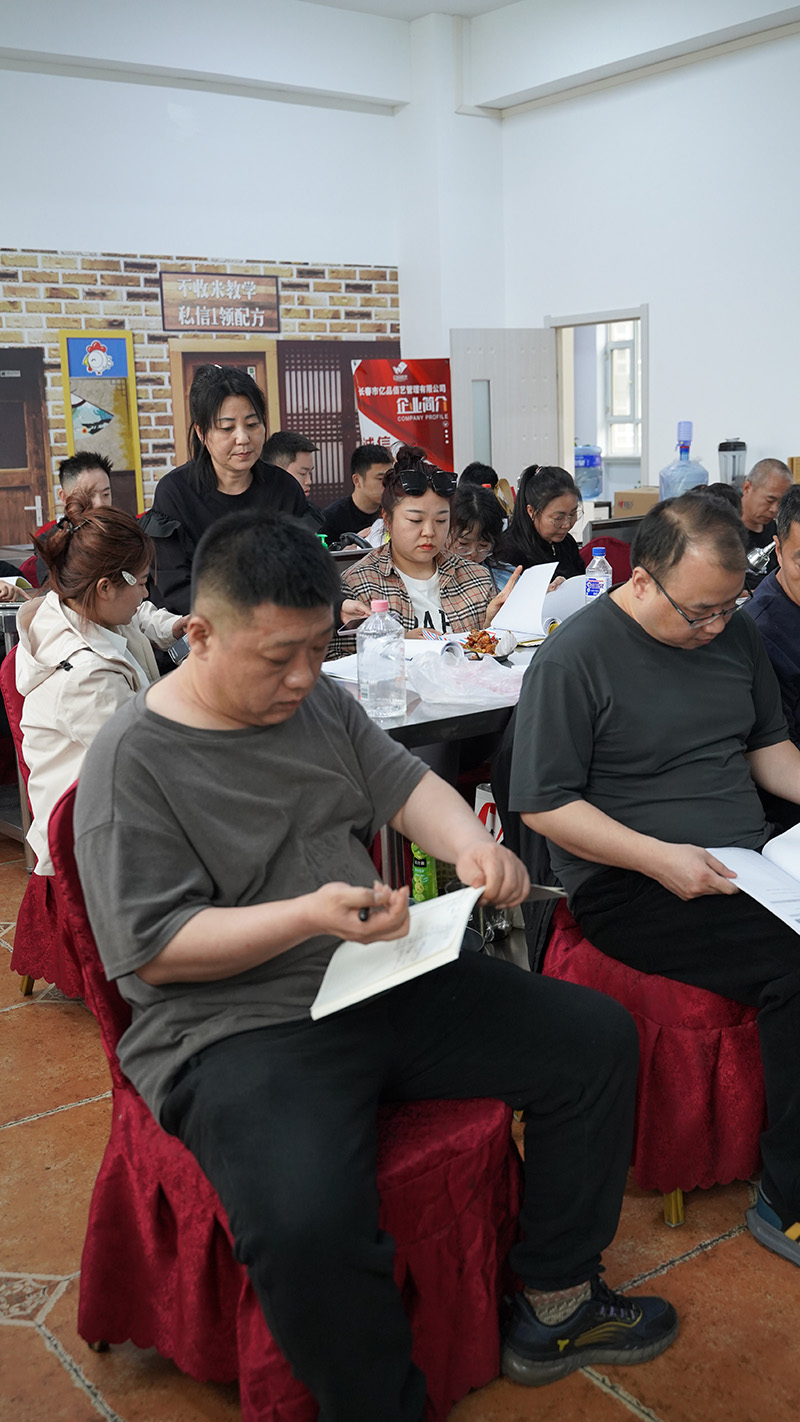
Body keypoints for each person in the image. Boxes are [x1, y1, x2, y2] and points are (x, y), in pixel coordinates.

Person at [73, 509, 677, 1419]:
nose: (304, 677)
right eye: (277, 657)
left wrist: (472, 851)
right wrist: (305, 916)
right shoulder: (135, 762)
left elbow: (403, 784)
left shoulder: (317, 700)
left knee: (594, 1042)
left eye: (319, 649)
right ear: (197, 633)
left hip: (377, 974)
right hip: (238, 1029)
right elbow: (153, 953)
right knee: (307, 1221)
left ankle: (557, 1299)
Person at [510, 492, 800, 1265]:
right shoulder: (575, 656)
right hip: (631, 878)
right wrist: (656, 856)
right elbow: (543, 804)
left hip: (746, 857)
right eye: (699, 612)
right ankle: (788, 1197)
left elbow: (768, 752)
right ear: (640, 582)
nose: (715, 628)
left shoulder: (735, 635)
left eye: (727, 608)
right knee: (796, 969)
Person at [16, 489, 186, 875]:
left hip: (115, 797)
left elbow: (139, 614)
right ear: (106, 587)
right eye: (143, 582)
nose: (147, 593)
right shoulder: (85, 677)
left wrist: (174, 626)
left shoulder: (72, 605)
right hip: (91, 843)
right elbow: (145, 762)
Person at [145, 367, 307, 615]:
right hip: (204, 634)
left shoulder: (284, 489)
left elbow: (305, 568)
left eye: (252, 424)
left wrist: (337, 605)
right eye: (227, 428)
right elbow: (176, 587)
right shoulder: (175, 493)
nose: (243, 438)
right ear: (201, 432)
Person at [338, 446, 519, 642]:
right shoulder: (358, 584)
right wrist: (400, 643)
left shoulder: (476, 578)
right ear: (387, 520)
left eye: (441, 521)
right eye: (416, 521)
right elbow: (338, 661)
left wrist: (490, 627)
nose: (430, 532)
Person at [33, 451, 115, 587]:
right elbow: (52, 593)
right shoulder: (50, 543)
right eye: (88, 495)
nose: (100, 504)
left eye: (105, 494)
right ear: (64, 497)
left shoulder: (126, 534)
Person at [498, 465, 585, 582]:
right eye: (558, 517)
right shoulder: (509, 552)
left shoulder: (567, 543)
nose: (567, 524)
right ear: (532, 511)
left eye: (572, 514)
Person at [447, 482, 516, 593]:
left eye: (483, 545)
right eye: (464, 544)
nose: (473, 553)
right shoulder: (429, 580)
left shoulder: (507, 579)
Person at [323, 443, 394, 542]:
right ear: (357, 480)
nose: (387, 484)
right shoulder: (331, 519)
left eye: (390, 478)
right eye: (380, 479)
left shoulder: (394, 513)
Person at [739, 457, 793, 579]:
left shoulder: (776, 532)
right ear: (747, 488)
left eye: (781, 503)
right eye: (770, 500)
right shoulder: (723, 531)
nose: (775, 509)